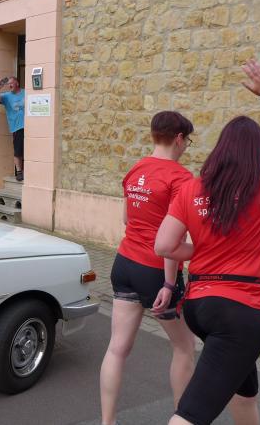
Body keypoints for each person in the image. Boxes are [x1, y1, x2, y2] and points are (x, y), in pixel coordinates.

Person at [155, 59, 260, 425]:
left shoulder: (191, 188)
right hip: (240, 312)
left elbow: (164, 246)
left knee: (244, 393)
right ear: (256, 152)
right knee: (189, 415)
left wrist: (201, 250)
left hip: (200, 306)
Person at [99, 111, 197, 425]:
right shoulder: (182, 179)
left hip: (124, 263)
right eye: (188, 141)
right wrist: (169, 283)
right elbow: (172, 239)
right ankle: (182, 418)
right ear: (179, 138)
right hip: (156, 272)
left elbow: (127, 219)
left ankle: (107, 422)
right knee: (184, 346)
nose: (186, 146)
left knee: (117, 349)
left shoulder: (136, 169)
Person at [0, 76, 25, 181]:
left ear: (17, 83)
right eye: (8, 84)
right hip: (17, 127)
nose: (9, 85)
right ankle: (19, 172)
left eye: (11, 83)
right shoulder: (7, 96)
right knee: (18, 151)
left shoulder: (26, 92)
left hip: (29, 126)